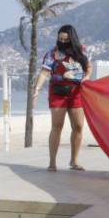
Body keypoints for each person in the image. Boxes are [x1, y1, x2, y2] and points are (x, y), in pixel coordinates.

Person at [32, 25, 92, 172]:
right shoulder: (52, 54)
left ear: (72, 39)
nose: (63, 42)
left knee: (78, 126)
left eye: (66, 39)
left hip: (77, 91)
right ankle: (52, 162)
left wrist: (87, 77)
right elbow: (44, 73)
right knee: (57, 126)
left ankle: (74, 161)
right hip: (57, 93)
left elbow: (88, 67)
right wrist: (37, 90)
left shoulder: (81, 51)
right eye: (60, 39)